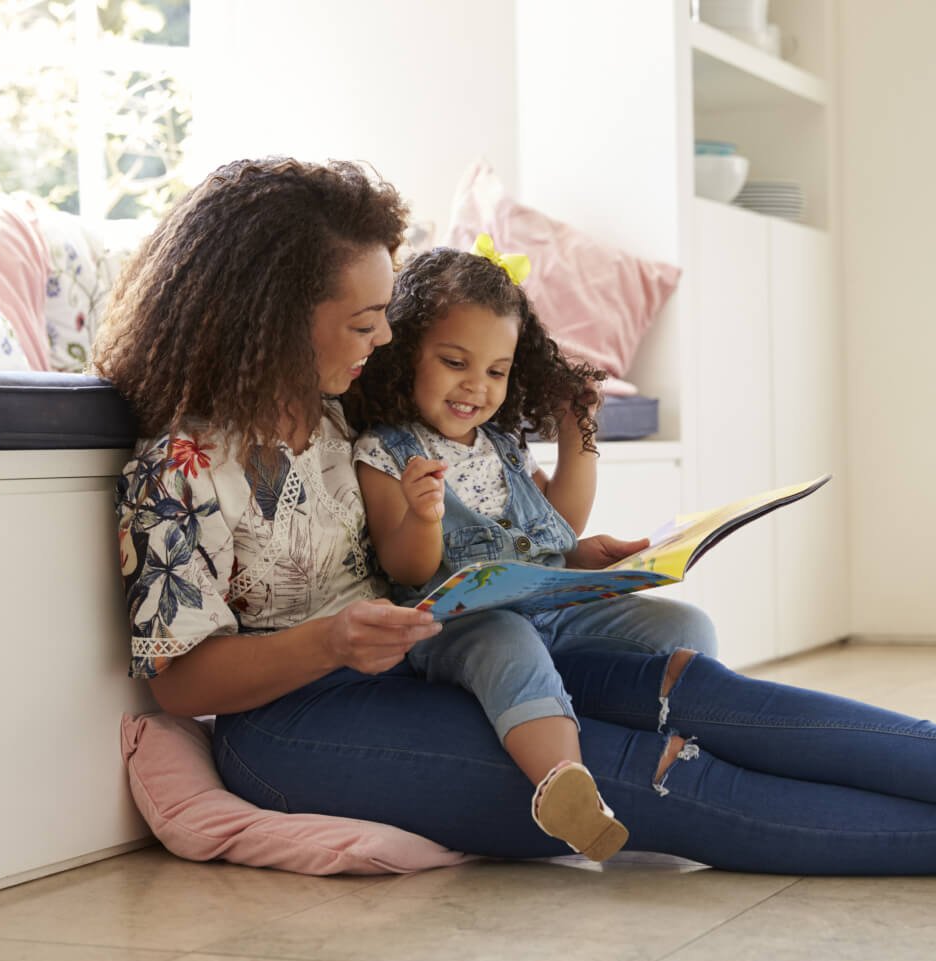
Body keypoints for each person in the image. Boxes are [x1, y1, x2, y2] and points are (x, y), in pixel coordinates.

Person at [96, 156, 936, 876]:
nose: (384, 338)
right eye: (362, 320)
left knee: (703, 695)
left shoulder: (345, 423)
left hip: (436, 659)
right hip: (297, 726)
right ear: (273, 320)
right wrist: (330, 640)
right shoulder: (178, 470)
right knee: (657, 774)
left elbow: (470, 517)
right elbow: (180, 677)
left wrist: (566, 566)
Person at [347, 240, 637, 861]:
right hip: (455, 627)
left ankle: (646, 716)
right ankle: (564, 786)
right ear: (404, 355)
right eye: (455, 362)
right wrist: (424, 516)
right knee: (505, 639)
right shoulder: (386, 450)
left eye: (496, 372)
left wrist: (576, 432)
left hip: (545, 608)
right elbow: (406, 569)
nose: (476, 387)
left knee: (677, 622)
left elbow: (554, 523)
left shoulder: (501, 445)